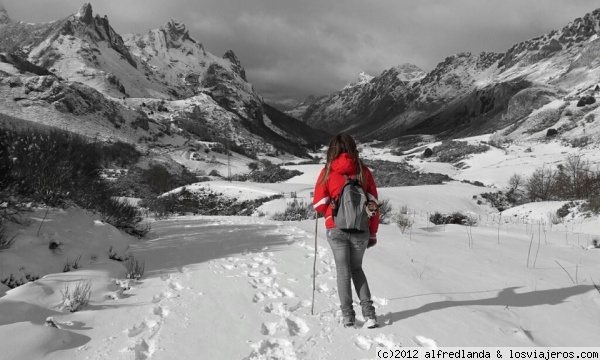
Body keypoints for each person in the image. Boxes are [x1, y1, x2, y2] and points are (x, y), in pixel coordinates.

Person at [312, 133, 380, 328]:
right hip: (361, 229)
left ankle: (348, 316)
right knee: (357, 269)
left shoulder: (328, 171)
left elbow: (318, 204)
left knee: (343, 272)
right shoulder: (363, 171)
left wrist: (331, 202)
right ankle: (370, 315)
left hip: (336, 228)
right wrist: (373, 232)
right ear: (353, 148)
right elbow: (373, 205)